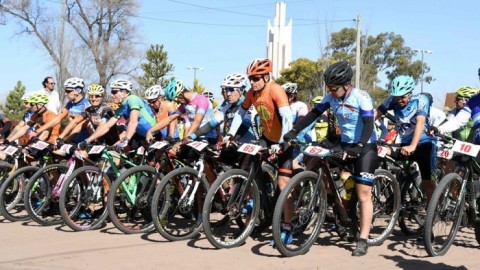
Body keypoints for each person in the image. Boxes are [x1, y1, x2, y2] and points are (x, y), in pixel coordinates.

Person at [283, 61, 377, 256]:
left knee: (363, 194)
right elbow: (312, 115)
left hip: (365, 144)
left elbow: (368, 124)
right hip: (343, 143)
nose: (331, 91)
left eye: (334, 88)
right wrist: (294, 131)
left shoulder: (362, 97)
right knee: (316, 159)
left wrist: (359, 146)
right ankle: (330, 197)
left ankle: (363, 239)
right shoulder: (331, 97)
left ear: (347, 85)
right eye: (329, 88)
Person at [223, 58, 293, 244]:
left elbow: (287, 118)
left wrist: (282, 142)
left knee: (283, 184)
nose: (252, 82)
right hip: (267, 137)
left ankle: (287, 226)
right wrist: (230, 134)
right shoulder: (253, 93)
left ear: (266, 76)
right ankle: (257, 196)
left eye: (256, 78)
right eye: (250, 78)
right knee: (249, 158)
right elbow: (241, 113)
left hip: (285, 139)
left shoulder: (275, 89)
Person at [375, 75, 437, 239]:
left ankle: (428, 225)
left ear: (410, 93)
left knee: (428, 183)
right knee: (380, 152)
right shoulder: (391, 100)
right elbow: (375, 114)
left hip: (424, 144)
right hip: (406, 144)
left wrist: (413, 146)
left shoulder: (421, 99)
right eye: (397, 97)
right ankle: (394, 192)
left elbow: (420, 122)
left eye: (402, 97)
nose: (399, 100)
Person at [79, 79, 156, 151]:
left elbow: (133, 121)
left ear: (124, 92)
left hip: (153, 134)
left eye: (114, 92)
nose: (112, 95)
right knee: (114, 153)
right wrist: (87, 140)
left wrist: (126, 139)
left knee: (154, 164)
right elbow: (107, 126)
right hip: (139, 135)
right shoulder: (122, 107)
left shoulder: (133, 99)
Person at [145, 79, 217, 148]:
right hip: (195, 137)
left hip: (208, 138)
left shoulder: (201, 99)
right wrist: (150, 131)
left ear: (180, 94)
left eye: (176, 100)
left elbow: (196, 122)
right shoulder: (185, 105)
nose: (177, 103)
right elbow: (169, 119)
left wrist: (185, 140)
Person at [0, 93, 60, 160]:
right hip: (37, 141)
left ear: (40, 105)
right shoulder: (36, 114)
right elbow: (24, 128)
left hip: (49, 143)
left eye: (32, 104)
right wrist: (8, 140)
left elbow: (45, 135)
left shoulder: (50, 115)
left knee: (23, 155)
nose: (30, 106)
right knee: (14, 154)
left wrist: (30, 147)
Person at [33, 77, 90, 144]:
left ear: (78, 90)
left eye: (68, 91)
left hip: (85, 141)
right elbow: (57, 119)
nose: (65, 94)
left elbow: (77, 124)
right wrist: (37, 131)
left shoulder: (87, 105)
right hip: (73, 140)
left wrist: (61, 138)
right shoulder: (70, 104)